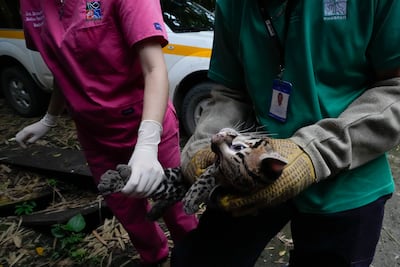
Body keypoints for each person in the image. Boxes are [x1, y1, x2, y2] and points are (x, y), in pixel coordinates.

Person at [171, 0, 400, 266]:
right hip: (256, 167)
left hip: (349, 174)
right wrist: (202, 144)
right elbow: (230, 92)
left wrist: (311, 153)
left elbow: (395, 87)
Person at [15, 0, 198, 266]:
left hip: (145, 121)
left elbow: (154, 69)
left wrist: (147, 142)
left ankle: (194, 257)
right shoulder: (31, 4)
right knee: (128, 214)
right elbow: (63, 68)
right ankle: (155, 258)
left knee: (176, 206)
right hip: (94, 134)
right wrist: (49, 119)